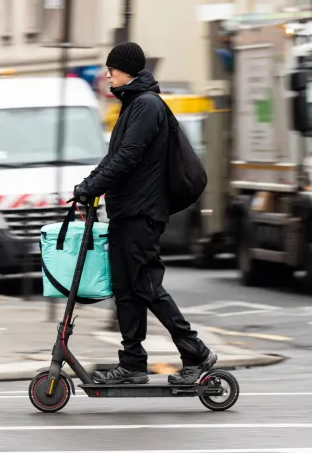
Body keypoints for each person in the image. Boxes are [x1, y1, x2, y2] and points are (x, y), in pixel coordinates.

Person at [73, 42, 217, 385]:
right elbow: (114, 158)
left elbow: (127, 158)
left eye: (112, 68)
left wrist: (91, 188)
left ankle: (196, 352)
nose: (107, 74)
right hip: (127, 210)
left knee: (147, 286)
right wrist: (86, 186)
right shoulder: (133, 105)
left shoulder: (147, 106)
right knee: (126, 289)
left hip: (143, 212)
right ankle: (133, 364)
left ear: (128, 71)